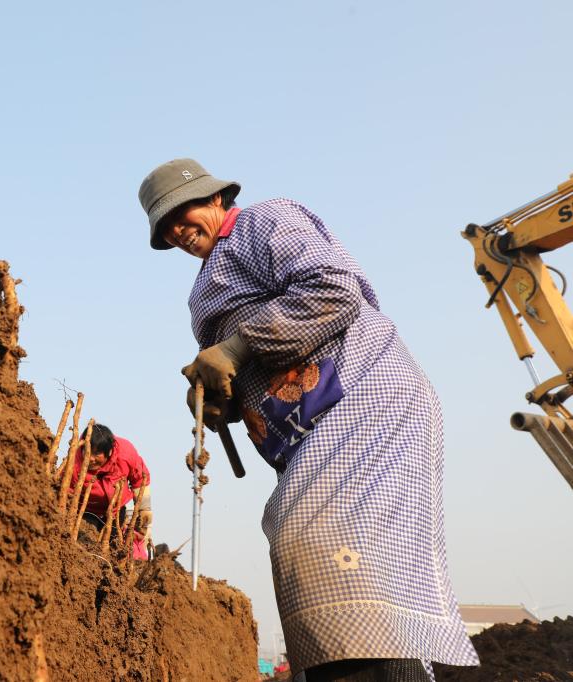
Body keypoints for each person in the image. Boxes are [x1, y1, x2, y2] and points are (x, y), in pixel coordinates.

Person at [138, 159, 478, 681]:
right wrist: (219, 397)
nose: (178, 232)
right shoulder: (201, 290)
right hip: (303, 428)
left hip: (361, 397)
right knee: (306, 548)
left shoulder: (266, 220)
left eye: (181, 216)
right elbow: (237, 368)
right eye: (166, 230)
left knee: (320, 538)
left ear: (214, 198)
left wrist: (238, 345)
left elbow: (332, 288)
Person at [69, 423, 152, 557]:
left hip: (116, 511)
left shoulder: (125, 453)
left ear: (109, 451)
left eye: (96, 454)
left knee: (114, 549)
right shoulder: (74, 463)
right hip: (86, 512)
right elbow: (67, 494)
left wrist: (145, 510)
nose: (90, 458)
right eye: (88, 451)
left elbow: (140, 479)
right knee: (86, 547)